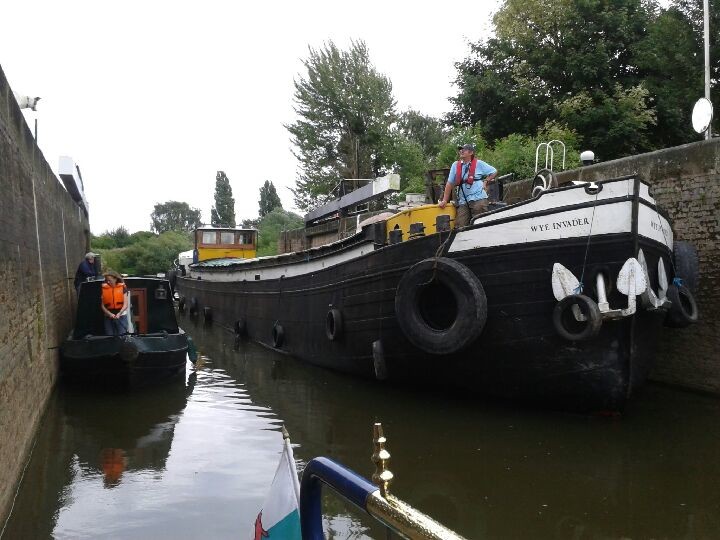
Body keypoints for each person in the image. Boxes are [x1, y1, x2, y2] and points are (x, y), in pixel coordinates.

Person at [439, 143, 497, 228]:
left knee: (480, 224)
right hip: (463, 201)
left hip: (478, 198)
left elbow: (494, 171)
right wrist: (444, 200)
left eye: (464, 149)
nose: (461, 151)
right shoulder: (455, 165)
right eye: (460, 149)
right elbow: (449, 183)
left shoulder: (479, 163)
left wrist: (486, 181)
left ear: (471, 153)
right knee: (459, 226)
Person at [101, 270, 129, 336]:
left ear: (115, 279)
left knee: (122, 336)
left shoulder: (123, 288)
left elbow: (125, 304)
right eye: (106, 280)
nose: (108, 282)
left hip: (121, 316)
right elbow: (102, 305)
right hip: (108, 316)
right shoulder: (104, 288)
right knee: (110, 336)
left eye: (109, 280)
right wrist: (109, 314)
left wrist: (119, 313)